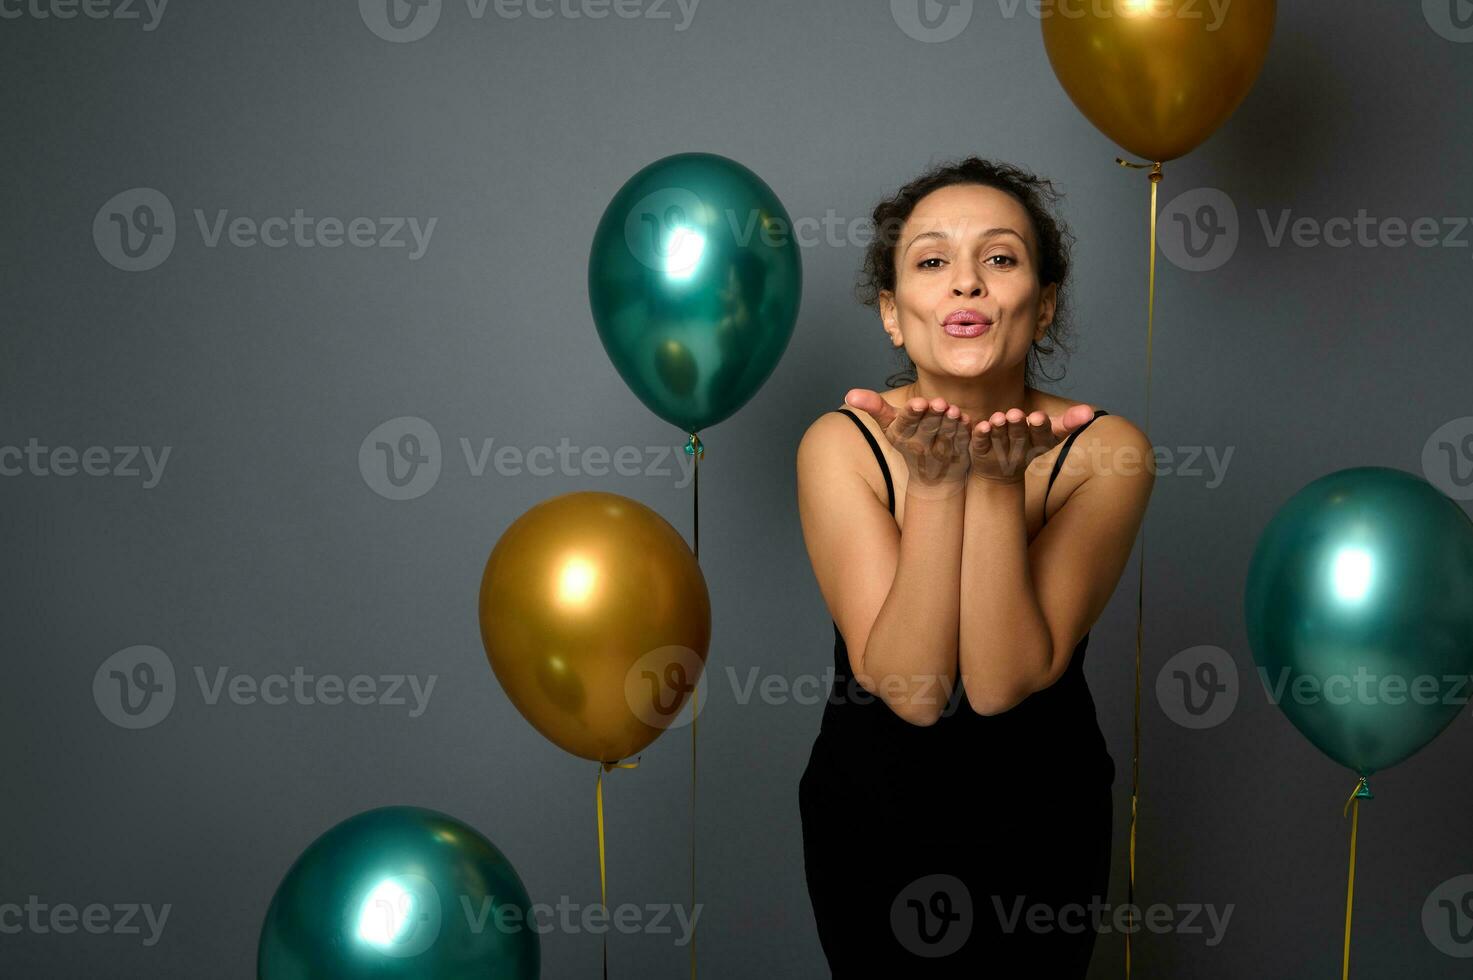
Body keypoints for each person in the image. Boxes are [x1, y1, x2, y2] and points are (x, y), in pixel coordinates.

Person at [795, 157, 1155, 977]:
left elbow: (997, 685)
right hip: (871, 824)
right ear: (893, 313)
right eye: (931, 262)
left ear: (1046, 302)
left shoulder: (1108, 451)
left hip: (1040, 830)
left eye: (999, 258)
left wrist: (992, 483)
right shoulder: (838, 444)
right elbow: (913, 693)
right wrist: (932, 483)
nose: (966, 284)